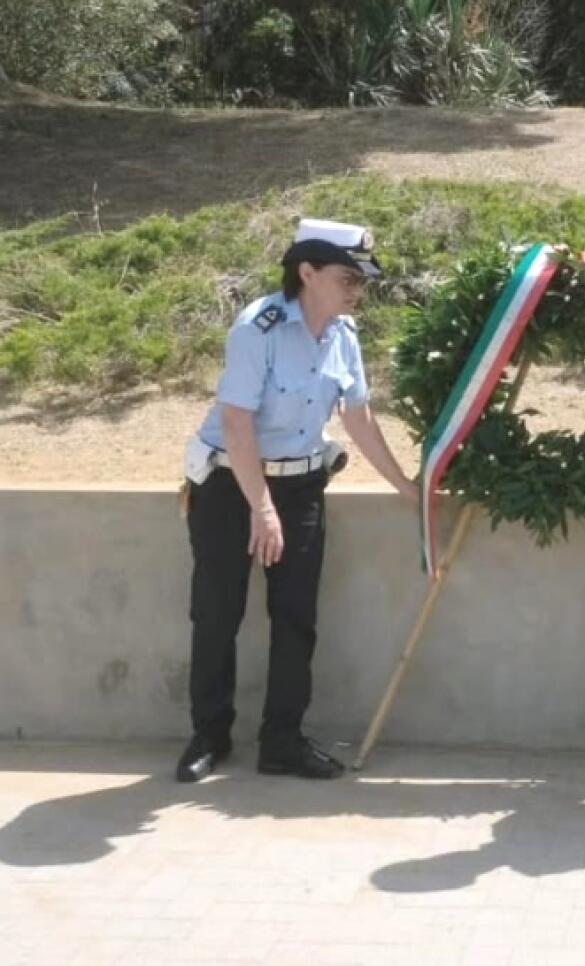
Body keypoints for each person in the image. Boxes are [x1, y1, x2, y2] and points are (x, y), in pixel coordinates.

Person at [176, 218, 419, 783]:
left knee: (295, 618)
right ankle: (209, 736)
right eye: (346, 278)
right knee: (217, 614)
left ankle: (281, 742)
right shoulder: (257, 328)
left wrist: (406, 488)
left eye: (362, 281)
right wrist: (261, 508)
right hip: (230, 485)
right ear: (306, 272)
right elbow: (237, 423)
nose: (357, 290)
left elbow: (357, 418)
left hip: (302, 484)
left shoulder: (344, 336)